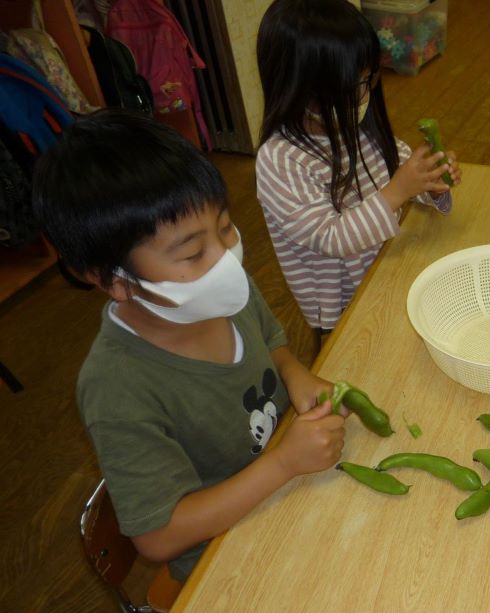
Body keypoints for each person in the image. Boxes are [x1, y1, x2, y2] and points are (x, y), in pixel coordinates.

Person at [32, 111, 348, 582]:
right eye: (192, 252)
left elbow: (271, 343)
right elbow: (158, 538)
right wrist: (283, 463)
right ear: (112, 281)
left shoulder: (216, 288)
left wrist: (294, 374)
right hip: (227, 560)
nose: (225, 259)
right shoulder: (117, 388)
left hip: (292, 491)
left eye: (224, 228)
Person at [255, 0, 462, 336]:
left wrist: (429, 184)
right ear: (297, 85)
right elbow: (331, 237)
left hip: (390, 274)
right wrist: (398, 191)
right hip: (343, 313)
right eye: (351, 87)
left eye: (367, 80)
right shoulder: (281, 161)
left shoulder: (357, 124)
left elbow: (401, 167)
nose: (363, 96)